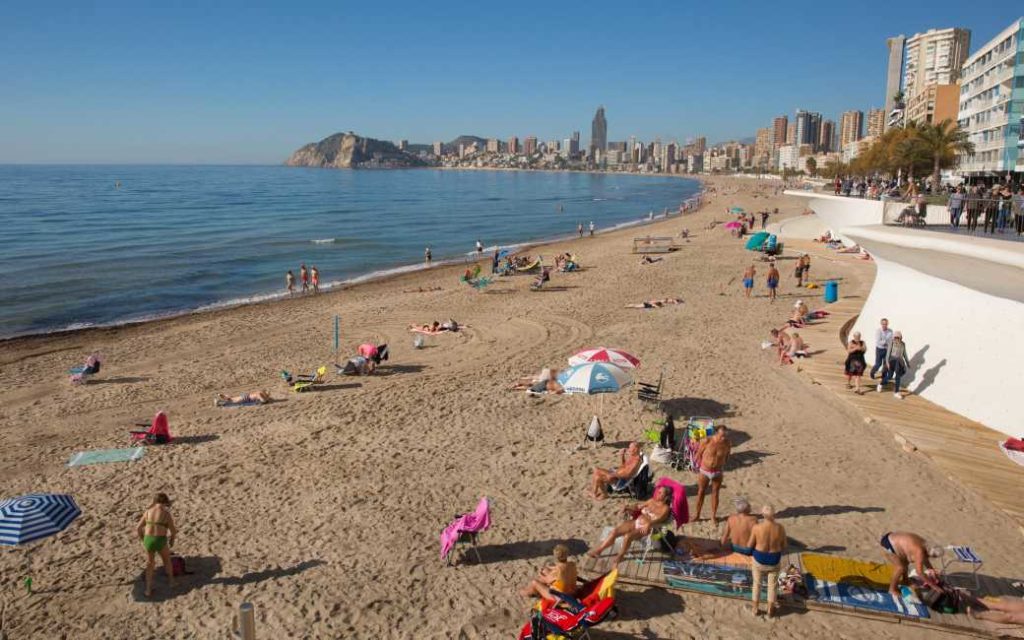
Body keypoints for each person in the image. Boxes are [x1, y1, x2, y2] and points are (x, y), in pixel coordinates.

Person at [587, 486, 672, 565]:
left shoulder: (665, 509)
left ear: (666, 497)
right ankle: (599, 550)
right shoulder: (651, 501)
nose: (657, 493)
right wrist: (628, 508)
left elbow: (660, 519)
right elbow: (638, 507)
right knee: (614, 532)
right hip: (636, 521)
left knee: (628, 537)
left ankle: (621, 556)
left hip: (646, 528)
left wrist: (650, 523)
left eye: (661, 493)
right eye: (658, 491)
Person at [136, 493, 178, 598]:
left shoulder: (148, 512)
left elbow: (138, 528)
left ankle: (148, 590)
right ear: (165, 502)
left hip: (148, 540)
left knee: (150, 564)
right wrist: (172, 540)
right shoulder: (166, 514)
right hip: (160, 540)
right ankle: (172, 582)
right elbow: (173, 531)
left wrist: (143, 540)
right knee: (167, 560)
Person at [748, 505, 787, 617]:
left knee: (757, 584)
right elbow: (784, 545)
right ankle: (770, 609)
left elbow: (750, 544)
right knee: (772, 585)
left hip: (759, 558)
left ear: (762, 514)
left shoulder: (757, 527)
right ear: (774, 514)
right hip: (774, 558)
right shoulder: (780, 528)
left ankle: (755, 609)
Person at [879, 531, 942, 598]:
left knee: (906, 561)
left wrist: (932, 570)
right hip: (888, 543)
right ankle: (892, 589)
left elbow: (925, 560)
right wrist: (933, 586)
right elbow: (919, 572)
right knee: (900, 568)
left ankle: (905, 580)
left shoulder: (925, 545)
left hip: (891, 538)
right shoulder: (919, 551)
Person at [693, 425, 730, 524]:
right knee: (701, 492)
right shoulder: (707, 441)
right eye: (722, 435)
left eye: (725, 435)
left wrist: (720, 465)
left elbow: (727, 456)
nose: (724, 438)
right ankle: (697, 515)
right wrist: (699, 465)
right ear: (716, 433)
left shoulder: (727, 443)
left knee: (715, 493)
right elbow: (698, 454)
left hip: (717, 472)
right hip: (704, 471)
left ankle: (713, 517)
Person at [879, 331, 910, 398]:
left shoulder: (903, 344)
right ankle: (881, 384)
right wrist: (887, 363)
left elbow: (905, 354)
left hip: (899, 361)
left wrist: (907, 363)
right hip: (892, 360)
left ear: (901, 338)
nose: (896, 339)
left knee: (898, 375)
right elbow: (887, 354)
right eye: (895, 337)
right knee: (890, 376)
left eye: (898, 338)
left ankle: (896, 392)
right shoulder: (891, 343)